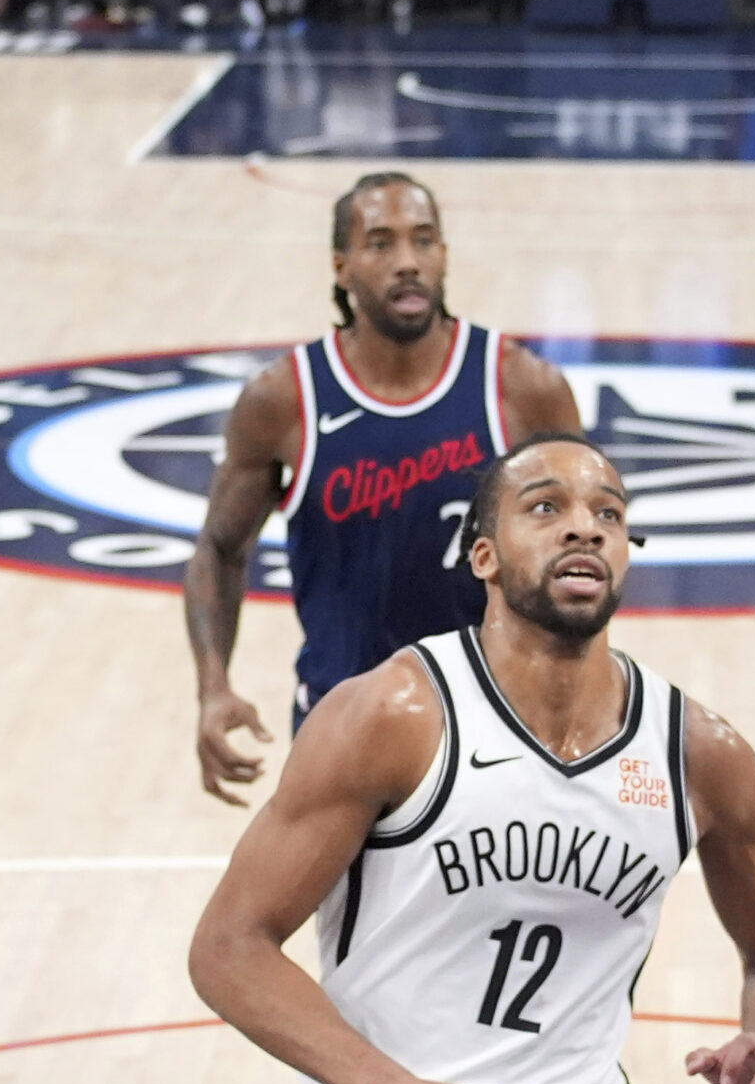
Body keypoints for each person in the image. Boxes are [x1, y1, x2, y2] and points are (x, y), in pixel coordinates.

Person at [189, 432, 755, 1084]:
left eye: (609, 513)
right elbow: (226, 948)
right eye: (547, 507)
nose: (585, 529)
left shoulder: (697, 754)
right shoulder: (392, 715)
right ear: (483, 556)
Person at [184, 173, 582, 804]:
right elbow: (219, 550)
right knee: (341, 907)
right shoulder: (284, 400)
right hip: (340, 724)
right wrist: (213, 687)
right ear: (341, 266)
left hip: (496, 725)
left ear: (444, 256)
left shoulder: (523, 389)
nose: (407, 263)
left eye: (424, 242)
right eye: (381, 244)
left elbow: (580, 559)